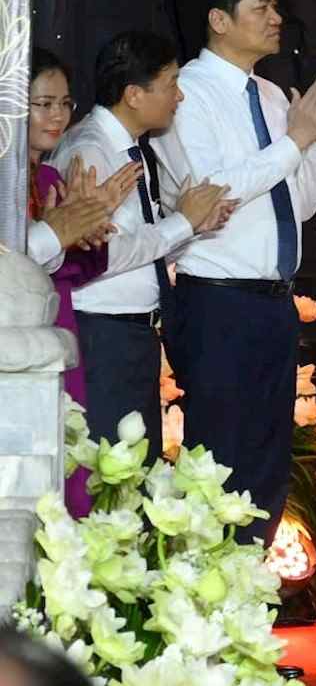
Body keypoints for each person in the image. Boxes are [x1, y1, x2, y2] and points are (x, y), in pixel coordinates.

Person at [150, 0, 316, 555]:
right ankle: (201, 628)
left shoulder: (272, 97)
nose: (277, 19)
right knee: (219, 459)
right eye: (262, 8)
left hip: (274, 301)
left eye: (277, 7)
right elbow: (216, 189)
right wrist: (295, 140)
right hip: (217, 301)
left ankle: (248, 623)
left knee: (268, 464)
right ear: (220, 19)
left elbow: (296, 206)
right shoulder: (188, 92)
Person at [50, 32, 231, 453]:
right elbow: (102, 255)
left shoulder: (129, 149)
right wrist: (182, 222)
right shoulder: (90, 151)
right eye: (170, 84)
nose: (180, 96)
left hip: (131, 336)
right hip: (101, 336)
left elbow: (141, 246)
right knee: (105, 478)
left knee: (132, 477)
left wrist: (193, 226)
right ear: (134, 94)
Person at [24, 47, 134, 513]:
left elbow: (79, 268)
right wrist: (56, 233)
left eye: (65, 103)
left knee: (67, 462)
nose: (57, 116)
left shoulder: (49, 175)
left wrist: (91, 228)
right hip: (18, 343)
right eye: (43, 103)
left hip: (60, 328)